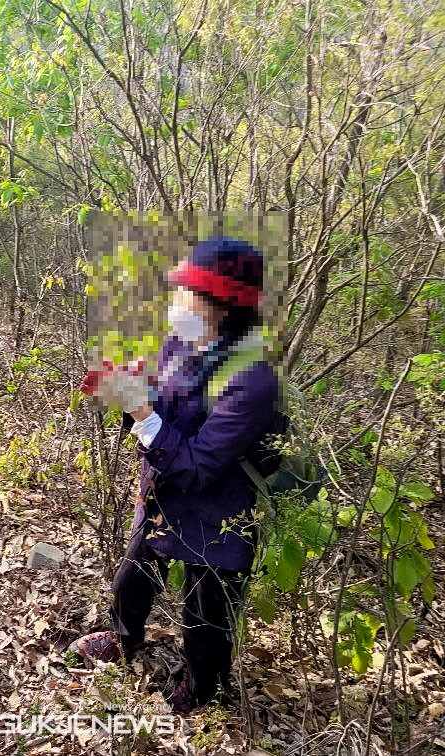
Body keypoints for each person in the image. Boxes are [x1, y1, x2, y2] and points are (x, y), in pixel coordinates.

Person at [76, 236, 286, 714]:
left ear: (221, 306)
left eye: (186, 293)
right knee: (133, 577)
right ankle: (123, 638)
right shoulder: (181, 342)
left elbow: (199, 466)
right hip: (163, 492)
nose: (175, 301)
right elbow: (166, 398)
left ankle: (202, 688)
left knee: (207, 614)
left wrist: (144, 414)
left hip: (220, 509)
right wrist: (127, 385)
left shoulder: (252, 379)